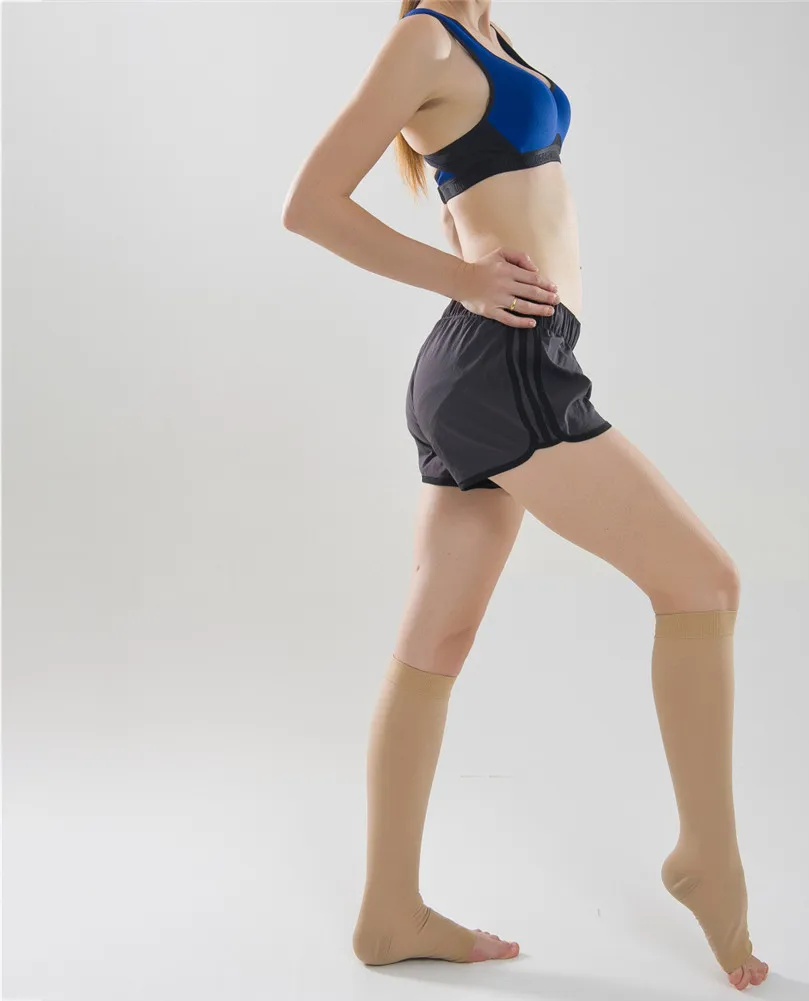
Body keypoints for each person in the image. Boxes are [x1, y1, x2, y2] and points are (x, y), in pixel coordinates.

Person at [281, 0, 769, 991]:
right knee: (703, 582)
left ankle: (387, 910)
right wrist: (461, 277)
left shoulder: (488, 33)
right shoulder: (426, 37)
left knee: (436, 639)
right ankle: (705, 856)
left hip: (493, 365)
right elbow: (311, 204)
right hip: (504, 368)